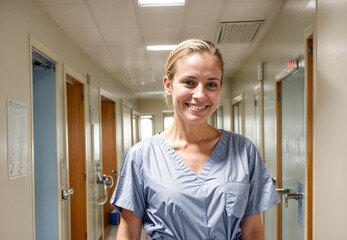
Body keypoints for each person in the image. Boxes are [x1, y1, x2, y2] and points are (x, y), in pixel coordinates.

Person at [110, 39, 280, 240]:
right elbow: (128, 233)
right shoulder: (141, 156)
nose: (200, 95)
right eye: (189, 82)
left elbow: (252, 231)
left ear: (219, 88)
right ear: (168, 85)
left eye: (211, 84)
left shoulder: (243, 150)